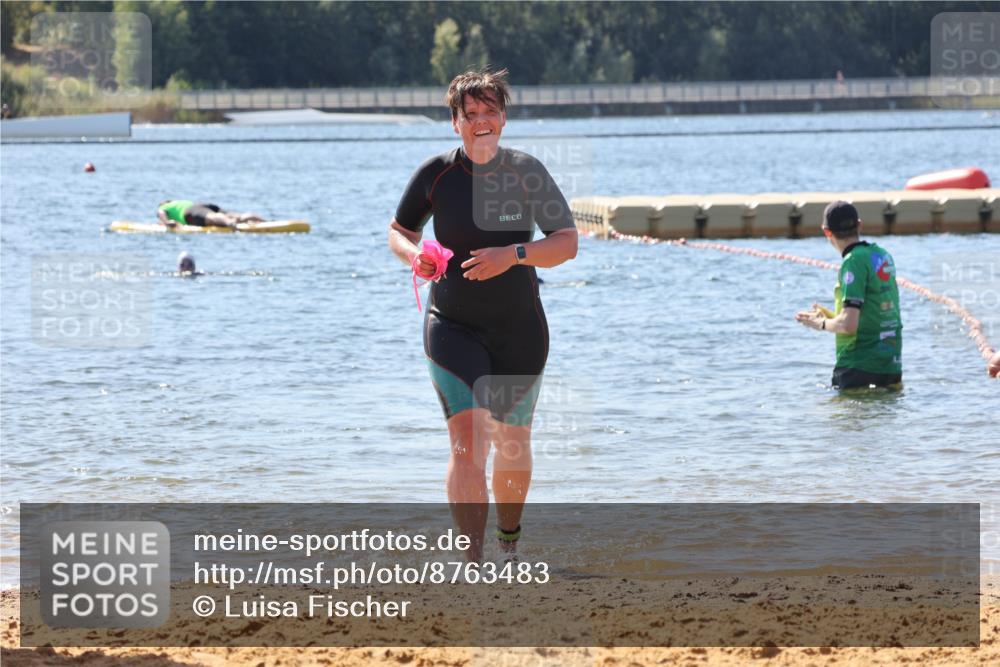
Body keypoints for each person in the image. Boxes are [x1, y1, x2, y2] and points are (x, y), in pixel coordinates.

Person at [387, 68, 578, 563]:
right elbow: (398, 231)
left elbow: (566, 244)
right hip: (451, 326)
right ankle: (471, 559)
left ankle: (509, 542)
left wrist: (511, 254)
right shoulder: (436, 174)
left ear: (504, 117)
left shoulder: (526, 171)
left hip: (519, 329)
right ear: (455, 123)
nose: (481, 122)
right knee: (468, 443)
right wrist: (415, 257)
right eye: (469, 114)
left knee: (512, 444)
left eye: (489, 111)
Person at [796, 201, 903, 390]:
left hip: (858, 367)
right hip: (890, 366)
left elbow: (848, 325)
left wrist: (819, 324)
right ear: (859, 224)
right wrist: (830, 317)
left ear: (827, 232)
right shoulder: (882, 255)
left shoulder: (852, 261)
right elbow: (871, 313)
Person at [157, 200, 263, 229]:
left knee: (212, 217)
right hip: (202, 204)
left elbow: (161, 213)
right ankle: (263, 221)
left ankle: (229, 223)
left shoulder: (163, 207)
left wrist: (166, 222)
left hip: (190, 212)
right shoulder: (179, 202)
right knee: (237, 216)